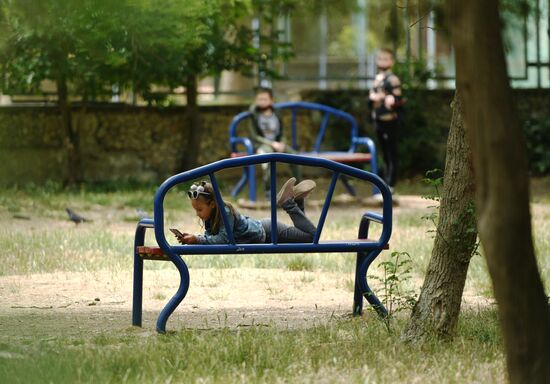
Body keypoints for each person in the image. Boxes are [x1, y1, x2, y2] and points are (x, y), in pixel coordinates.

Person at [178, 178, 316, 245]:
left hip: (269, 231)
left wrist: (197, 240)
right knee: (305, 236)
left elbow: (223, 239)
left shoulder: (225, 212)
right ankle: (295, 200)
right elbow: (210, 236)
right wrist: (194, 238)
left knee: (311, 238)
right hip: (263, 231)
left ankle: (288, 203)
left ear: (213, 204)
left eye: (199, 209)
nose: (197, 213)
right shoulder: (211, 215)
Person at [249, 87, 300, 198]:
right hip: (262, 145)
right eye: (259, 99)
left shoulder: (277, 112)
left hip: (278, 144)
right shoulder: (253, 113)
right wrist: (271, 144)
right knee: (268, 159)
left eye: (264, 99)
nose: (261, 102)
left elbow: (282, 132)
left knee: (296, 157)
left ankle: (298, 191)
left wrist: (282, 142)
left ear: (271, 100)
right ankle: (269, 193)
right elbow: (254, 136)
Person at [369, 48, 403, 193]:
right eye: (380, 58)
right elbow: (371, 95)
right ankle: (384, 184)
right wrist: (373, 97)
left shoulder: (393, 79)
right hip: (378, 120)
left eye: (386, 59)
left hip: (390, 121)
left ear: (392, 61)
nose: (383, 61)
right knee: (383, 153)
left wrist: (392, 100)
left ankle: (391, 185)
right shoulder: (377, 79)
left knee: (391, 153)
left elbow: (398, 98)